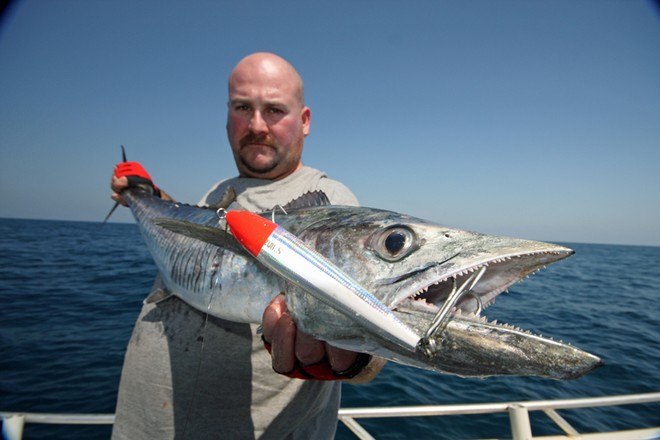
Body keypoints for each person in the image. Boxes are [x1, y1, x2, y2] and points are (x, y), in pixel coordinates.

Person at [110, 52, 385, 439]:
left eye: (274, 110)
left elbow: (370, 332)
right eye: (243, 108)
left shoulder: (329, 205)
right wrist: (144, 193)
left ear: (304, 121)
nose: (257, 125)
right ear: (227, 116)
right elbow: (194, 233)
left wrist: (353, 357)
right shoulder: (221, 192)